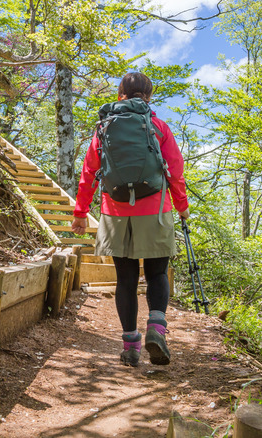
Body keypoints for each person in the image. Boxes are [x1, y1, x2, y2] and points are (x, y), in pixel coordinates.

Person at [71, 72, 190, 367]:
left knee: (125, 280)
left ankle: (131, 346)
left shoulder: (104, 129)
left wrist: (80, 213)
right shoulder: (158, 127)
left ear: (120, 94)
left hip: (115, 212)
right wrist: (182, 207)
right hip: (156, 211)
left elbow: (89, 174)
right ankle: (156, 329)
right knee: (157, 275)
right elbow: (175, 171)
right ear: (148, 96)